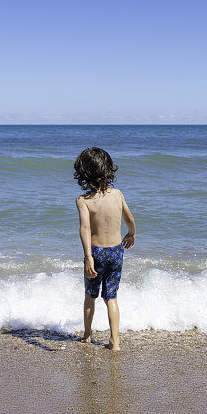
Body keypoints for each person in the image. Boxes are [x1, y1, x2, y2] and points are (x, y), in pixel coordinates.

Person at [74, 147, 136, 350]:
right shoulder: (118, 194)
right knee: (111, 297)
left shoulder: (84, 201)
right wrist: (131, 233)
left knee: (90, 296)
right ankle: (115, 341)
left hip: (97, 252)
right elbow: (129, 218)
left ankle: (87, 335)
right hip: (117, 251)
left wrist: (88, 257)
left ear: (84, 174)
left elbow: (85, 228)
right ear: (109, 170)